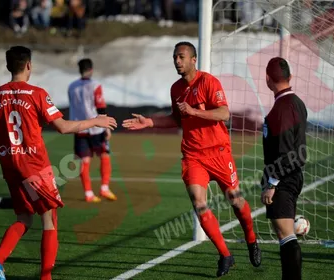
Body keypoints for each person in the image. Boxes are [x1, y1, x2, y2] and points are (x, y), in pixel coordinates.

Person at [122, 41, 261, 277]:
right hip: (193, 155)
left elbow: (224, 113)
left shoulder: (208, 82)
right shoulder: (176, 89)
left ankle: (251, 239)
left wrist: (195, 111)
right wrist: (151, 122)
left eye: (182, 57)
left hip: (218, 152)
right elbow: (177, 118)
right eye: (175, 57)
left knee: (235, 201)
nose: (177, 61)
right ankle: (226, 255)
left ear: (193, 59)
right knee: (199, 204)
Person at [0, 46, 117, 280]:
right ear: (28, 65)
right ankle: (46, 277)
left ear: (8, 66)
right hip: (33, 164)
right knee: (50, 217)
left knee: (24, 217)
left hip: (9, 163)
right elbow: (64, 127)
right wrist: (96, 120)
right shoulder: (37, 93)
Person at [260, 57, 306, 280]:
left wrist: (272, 183)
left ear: (268, 79)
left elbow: (286, 152)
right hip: (292, 175)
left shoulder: (282, 107)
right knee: (285, 234)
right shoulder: (296, 102)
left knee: (285, 235)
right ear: (290, 77)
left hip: (283, 178)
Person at [68, 58, 117, 203]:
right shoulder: (95, 85)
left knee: (84, 160)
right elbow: (100, 106)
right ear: (91, 69)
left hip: (79, 127)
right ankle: (104, 188)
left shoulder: (72, 86)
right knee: (104, 155)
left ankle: (88, 193)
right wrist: (106, 127)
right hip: (96, 127)